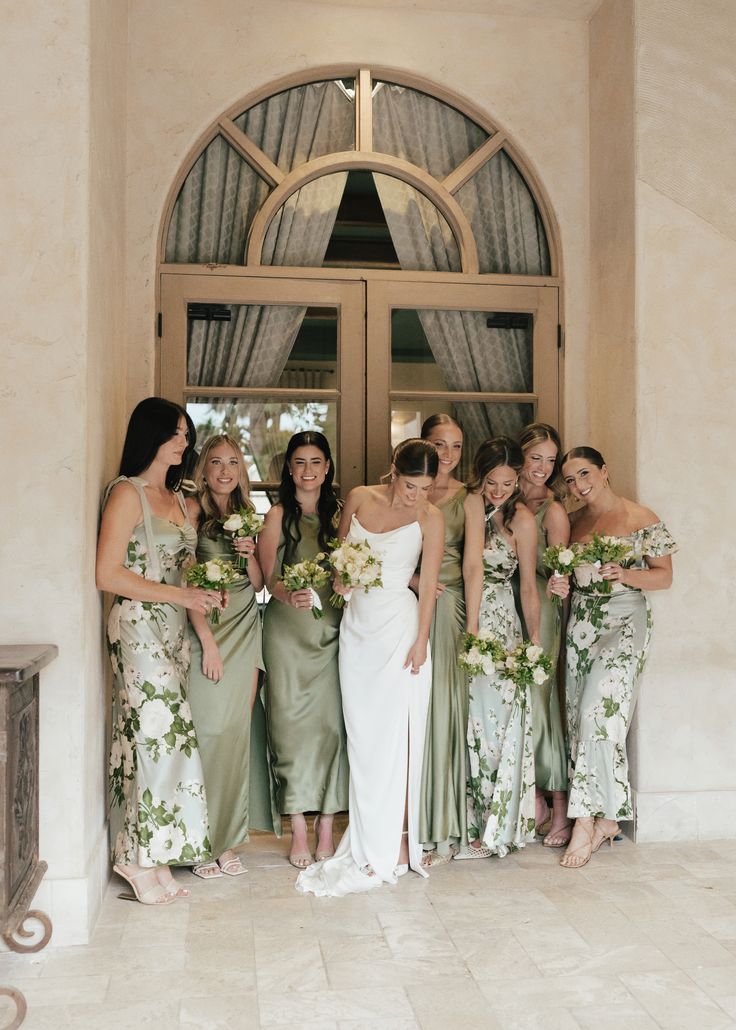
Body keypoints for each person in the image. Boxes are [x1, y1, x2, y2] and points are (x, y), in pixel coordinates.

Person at [296, 439, 444, 896]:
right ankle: (365, 837)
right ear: (392, 471)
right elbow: (337, 565)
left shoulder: (430, 518)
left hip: (400, 630)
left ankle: (399, 842)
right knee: (363, 738)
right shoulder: (360, 498)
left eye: (425, 487)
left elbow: (430, 583)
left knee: (398, 736)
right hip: (357, 629)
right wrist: (342, 580)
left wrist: (421, 642)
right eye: (408, 484)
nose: (415, 495)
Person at [96, 397, 222, 905]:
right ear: (149, 435)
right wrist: (180, 594)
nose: (183, 443)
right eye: (174, 433)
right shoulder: (128, 494)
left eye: (186, 434)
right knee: (150, 739)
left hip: (173, 632)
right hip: (136, 627)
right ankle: (133, 856)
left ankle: (156, 852)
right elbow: (107, 574)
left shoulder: (178, 498)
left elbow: (182, 571)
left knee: (167, 742)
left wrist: (206, 591)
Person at [551, 446, 676, 869]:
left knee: (597, 713)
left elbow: (664, 576)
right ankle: (606, 818)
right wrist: (560, 587)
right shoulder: (571, 523)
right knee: (576, 717)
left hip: (625, 621)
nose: (578, 485)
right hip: (581, 622)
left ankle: (585, 822)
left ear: (604, 471)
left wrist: (626, 573)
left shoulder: (641, 517)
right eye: (569, 480)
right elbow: (562, 574)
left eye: (584, 474)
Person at [186, 434, 279, 880]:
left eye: (234, 463)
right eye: (216, 462)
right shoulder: (190, 512)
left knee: (237, 734)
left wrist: (249, 555)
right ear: (203, 469)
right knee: (209, 733)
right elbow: (184, 582)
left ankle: (228, 841)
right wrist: (206, 642)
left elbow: (260, 583)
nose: (225, 471)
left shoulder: (248, 517)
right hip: (209, 628)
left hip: (246, 626)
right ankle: (202, 838)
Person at [258, 431, 348, 868]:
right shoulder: (277, 514)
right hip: (287, 633)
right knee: (289, 729)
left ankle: (327, 826)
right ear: (289, 469)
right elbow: (265, 576)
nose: (308, 470)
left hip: (333, 630)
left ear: (327, 467)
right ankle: (297, 828)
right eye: (300, 462)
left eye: (316, 462)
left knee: (332, 727)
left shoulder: (342, 515)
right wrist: (284, 593)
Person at [456, 436, 541, 860]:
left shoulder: (523, 520)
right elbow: (471, 565)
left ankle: (499, 823)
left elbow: (527, 585)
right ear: (481, 474)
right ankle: (472, 821)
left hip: (506, 624)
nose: (499, 491)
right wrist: (471, 630)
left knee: (502, 722)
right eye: (493, 481)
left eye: (508, 484)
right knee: (474, 721)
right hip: (470, 615)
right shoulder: (471, 503)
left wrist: (535, 641)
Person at [417, 415, 484, 866]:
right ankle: (413, 820)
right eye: (439, 444)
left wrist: (473, 628)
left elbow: (474, 566)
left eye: (456, 446)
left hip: (450, 609)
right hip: (405, 608)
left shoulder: (470, 499)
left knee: (445, 709)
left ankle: (445, 825)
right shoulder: (408, 491)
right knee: (414, 710)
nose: (447, 454)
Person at [516, 423, 571, 848]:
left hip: (542, 610)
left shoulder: (552, 510)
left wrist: (559, 582)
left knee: (540, 698)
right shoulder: (503, 499)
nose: (544, 468)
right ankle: (526, 794)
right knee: (515, 700)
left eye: (551, 460)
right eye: (537, 458)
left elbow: (560, 570)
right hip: (506, 604)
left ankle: (556, 803)